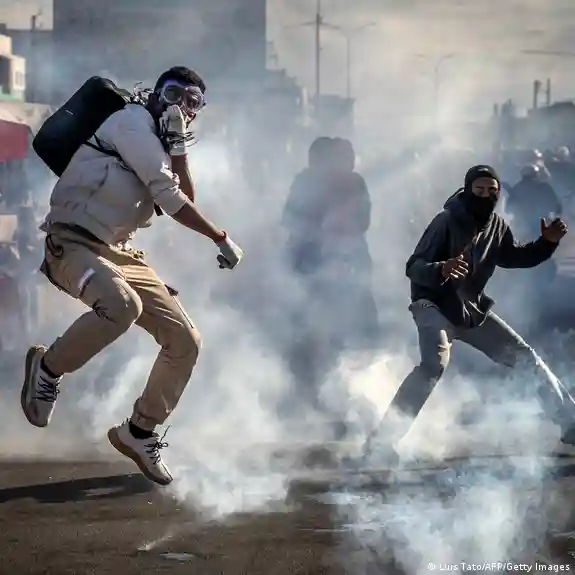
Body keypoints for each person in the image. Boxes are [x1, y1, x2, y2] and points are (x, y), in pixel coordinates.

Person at [20, 66, 244, 486]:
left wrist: (179, 147)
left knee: (185, 341)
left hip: (119, 253)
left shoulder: (164, 143)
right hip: (72, 240)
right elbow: (172, 200)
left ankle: (139, 432)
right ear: (154, 94)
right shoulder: (132, 122)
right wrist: (220, 238)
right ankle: (47, 368)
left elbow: (183, 195)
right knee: (123, 307)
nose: (179, 107)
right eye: (173, 95)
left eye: (191, 103)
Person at [365, 164, 575, 461]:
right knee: (433, 365)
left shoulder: (496, 225)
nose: (485, 196)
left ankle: (570, 423)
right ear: (467, 190)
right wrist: (442, 268)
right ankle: (380, 443)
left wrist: (546, 244)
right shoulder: (445, 221)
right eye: (479, 190)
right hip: (433, 306)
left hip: (469, 310)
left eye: (491, 191)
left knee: (525, 358)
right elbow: (414, 267)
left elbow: (514, 256)